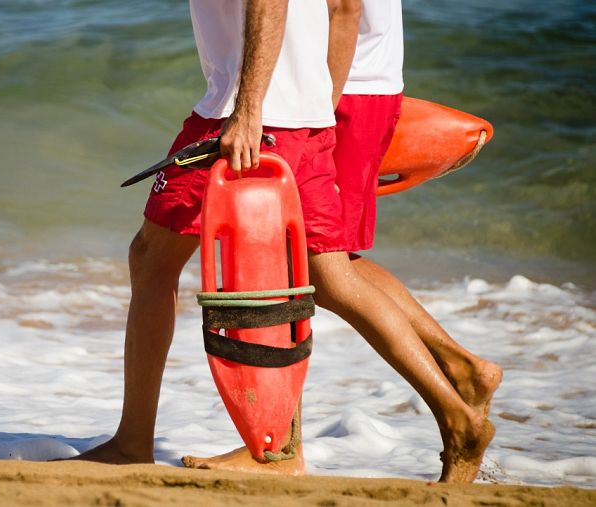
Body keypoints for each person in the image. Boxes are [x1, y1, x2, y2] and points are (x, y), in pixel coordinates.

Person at [74, 0, 494, 483]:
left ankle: (132, 443)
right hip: (304, 115)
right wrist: (318, 113)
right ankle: (456, 415)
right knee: (333, 277)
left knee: (151, 259)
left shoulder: (249, 107)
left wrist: (248, 110)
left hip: (251, 113)